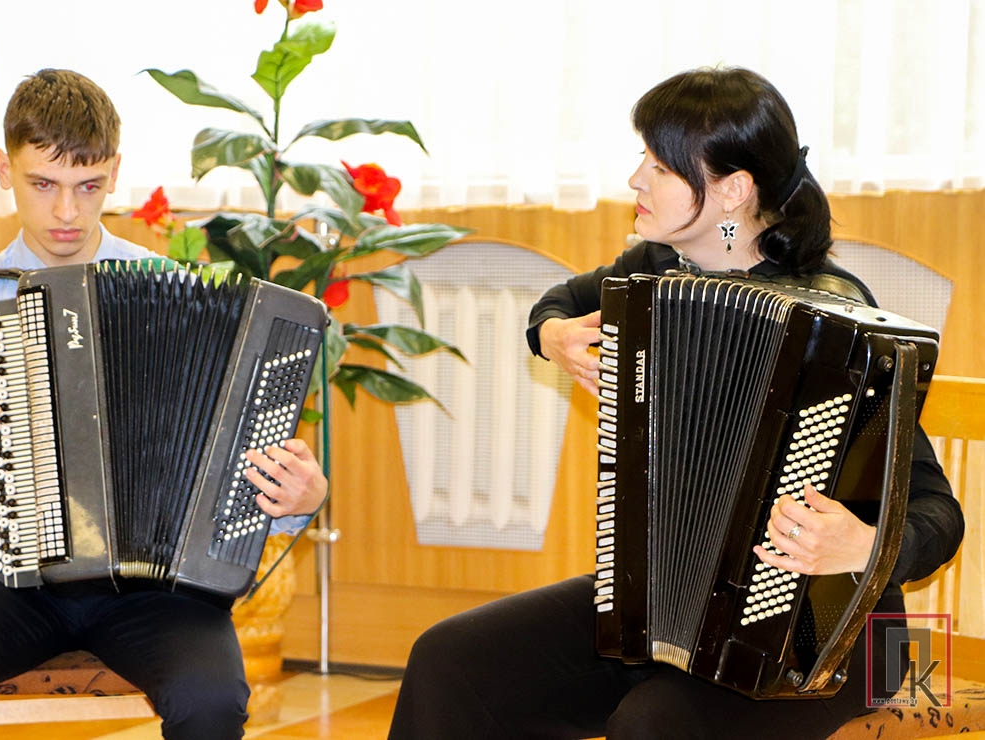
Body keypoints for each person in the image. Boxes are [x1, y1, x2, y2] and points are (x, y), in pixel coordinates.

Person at [386, 67, 964, 740]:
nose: (636, 179)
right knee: (452, 660)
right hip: (663, 611)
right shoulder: (657, 268)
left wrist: (863, 545)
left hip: (829, 642)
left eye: (659, 166)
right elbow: (562, 303)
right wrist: (554, 337)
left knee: (653, 723)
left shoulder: (838, 325)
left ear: (732, 191)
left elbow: (937, 512)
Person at [0, 69, 328, 740]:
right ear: (4, 169)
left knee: (212, 698)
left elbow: (236, 464)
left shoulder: (173, 293)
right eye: (43, 185)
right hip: (5, 574)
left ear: (114, 172)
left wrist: (299, 499)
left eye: (88, 187)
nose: (66, 213)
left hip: (152, 589)